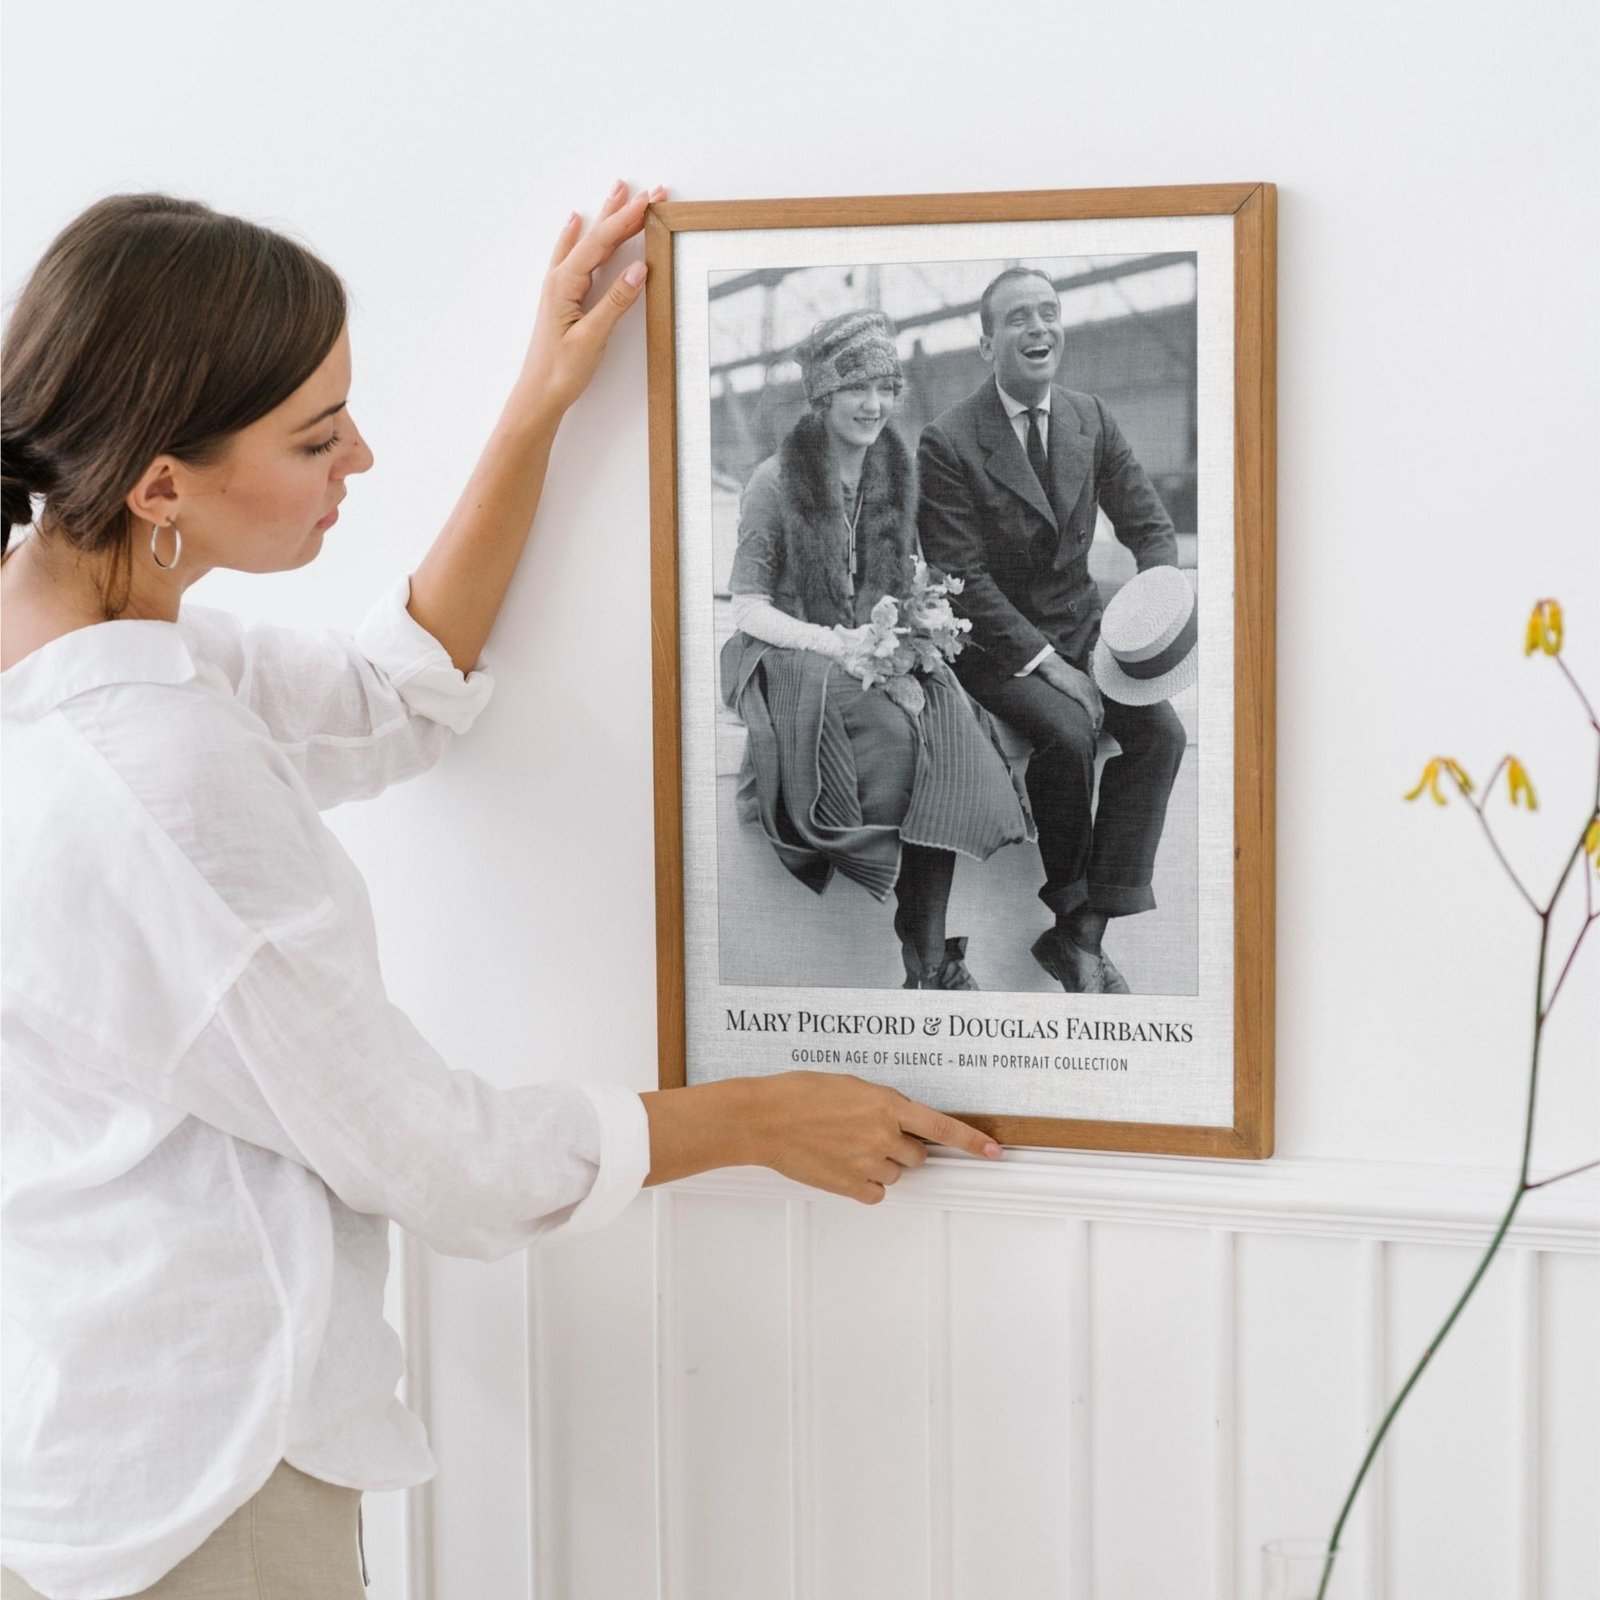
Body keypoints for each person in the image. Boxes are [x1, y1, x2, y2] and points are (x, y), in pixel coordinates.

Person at [0, 190, 1005, 1600]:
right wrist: (758, 1116)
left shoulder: (72, 643)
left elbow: (382, 695)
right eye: (313, 437)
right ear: (159, 485)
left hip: (78, 1442)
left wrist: (543, 402)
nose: (362, 453)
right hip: (199, 1496)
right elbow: (435, 1156)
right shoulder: (150, 781)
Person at [721, 311, 1032, 990]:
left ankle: (931, 961)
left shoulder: (897, 473)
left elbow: (896, 575)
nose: (873, 404)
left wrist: (919, 617)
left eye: (887, 388)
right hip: (787, 649)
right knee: (895, 739)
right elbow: (747, 608)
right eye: (857, 387)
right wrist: (837, 643)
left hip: (871, 639)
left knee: (949, 729)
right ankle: (927, 959)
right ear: (824, 396)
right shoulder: (775, 483)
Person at [916, 267, 1188, 995]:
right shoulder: (947, 442)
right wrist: (1050, 666)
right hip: (995, 647)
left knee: (1162, 735)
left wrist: (1152, 615)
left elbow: (1150, 528)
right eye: (1017, 319)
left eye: (1049, 313)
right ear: (985, 345)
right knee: (1066, 735)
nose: (1039, 329)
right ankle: (1071, 910)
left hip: (1087, 632)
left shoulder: (1089, 416)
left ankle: (1081, 935)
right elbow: (962, 577)